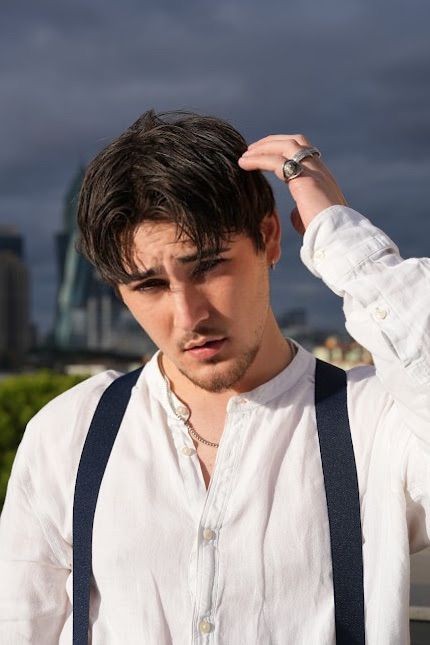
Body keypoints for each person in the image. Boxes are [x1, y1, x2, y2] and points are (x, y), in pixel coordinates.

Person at [0, 109, 429, 644]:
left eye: (208, 266)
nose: (189, 316)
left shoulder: (377, 423)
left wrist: (346, 244)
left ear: (269, 239)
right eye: (150, 285)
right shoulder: (69, 433)